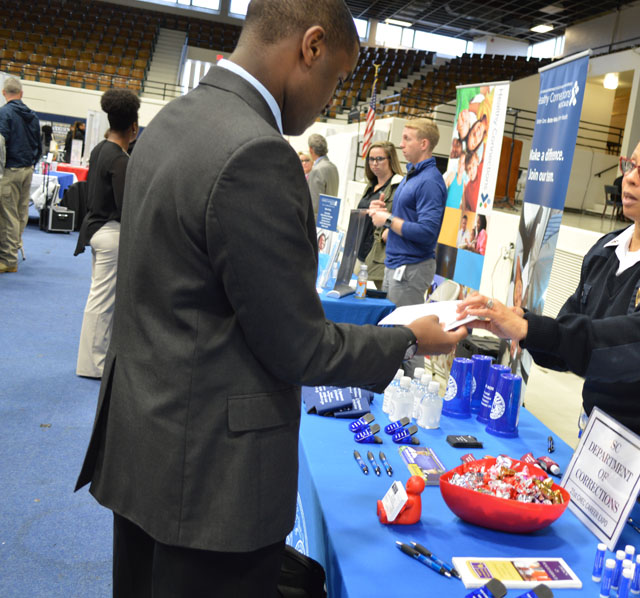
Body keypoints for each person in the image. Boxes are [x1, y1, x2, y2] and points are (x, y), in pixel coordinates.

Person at [73, 2, 466, 596]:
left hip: (143, 444)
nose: (331, 101)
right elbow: (299, 346)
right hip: (209, 479)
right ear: (310, 47)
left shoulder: (171, 123)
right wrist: (409, 340)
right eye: (335, 78)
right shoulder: (256, 153)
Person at [459, 105, 640, 558]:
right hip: (607, 444)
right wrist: (518, 330)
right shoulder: (606, 249)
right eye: (630, 165)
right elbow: (570, 337)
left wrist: (530, 326)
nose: (630, 178)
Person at [368, 118, 447, 374]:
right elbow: (407, 221)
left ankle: (411, 394)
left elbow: (427, 232)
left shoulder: (429, 182)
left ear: (424, 144)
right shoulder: (409, 177)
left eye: (407, 139)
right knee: (394, 335)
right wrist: (386, 215)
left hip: (411, 268)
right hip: (396, 265)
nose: (400, 145)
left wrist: (389, 220)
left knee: (408, 338)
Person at [73, 89, 140, 379]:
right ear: (133, 128)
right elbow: (127, 206)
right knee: (101, 301)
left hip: (96, 230)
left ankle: (97, 359)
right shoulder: (120, 160)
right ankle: (92, 364)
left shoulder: (100, 150)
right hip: (111, 233)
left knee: (100, 298)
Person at [0, 76, 41, 273]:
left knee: (8, 215)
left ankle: (8, 259)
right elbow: (39, 145)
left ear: (3, 93)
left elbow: (0, 143)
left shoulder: (4, 113)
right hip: (27, 169)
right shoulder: (33, 116)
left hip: (11, 170)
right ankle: (13, 249)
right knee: (21, 213)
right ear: (21, 94)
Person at [357, 140, 402, 289]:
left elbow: (404, 217)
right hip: (361, 251)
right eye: (371, 159)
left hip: (379, 255)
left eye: (379, 159)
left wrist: (389, 230)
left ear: (391, 160)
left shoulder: (399, 186)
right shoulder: (370, 186)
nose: (374, 163)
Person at [306, 132, 339, 215]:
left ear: (311, 150)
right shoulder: (333, 167)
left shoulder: (316, 170)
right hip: (330, 217)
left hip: (317, 221)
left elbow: (314, 205)